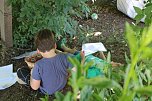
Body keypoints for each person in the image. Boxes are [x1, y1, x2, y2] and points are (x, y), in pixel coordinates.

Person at [17, 29, 83, 95]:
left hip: (47, 91)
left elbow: (35, 87)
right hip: (61, 85)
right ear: (55, 46)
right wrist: (82, 59)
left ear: (38, 51)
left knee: (21, 71)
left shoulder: (38, 65)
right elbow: (77, 71)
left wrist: (32, 74)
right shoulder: (66, 56)